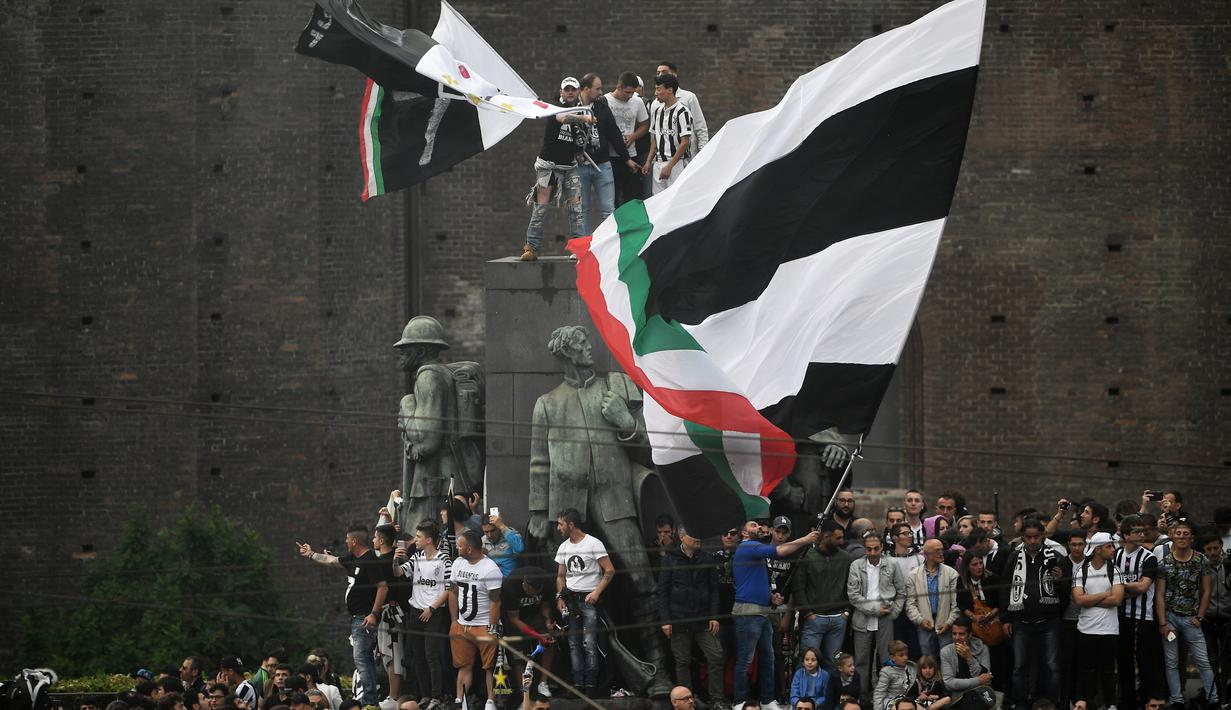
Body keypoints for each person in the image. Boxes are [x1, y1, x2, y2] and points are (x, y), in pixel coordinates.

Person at [732, 519, 820, 710]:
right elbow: (779, 551)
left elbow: (755, 581)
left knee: (768, 657)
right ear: (744, 533)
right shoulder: (748, 546)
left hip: (762, 611)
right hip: (748, 611)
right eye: (753, 525)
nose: (758, 527)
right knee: (745, 659)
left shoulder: (756, 550)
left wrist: (772, 597)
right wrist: (805, 539)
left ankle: (767, 699)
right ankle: (739, 701)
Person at [297, 525, 388, 707]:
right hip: (356, 618)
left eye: (347, 539)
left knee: (362, 658)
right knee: (362, 658)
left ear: (354, 541)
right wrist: (311, 554)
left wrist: (373, 613)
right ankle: (370, 699)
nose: (345, 542)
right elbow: (332, 560)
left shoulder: (370, 560)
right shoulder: (354, 559)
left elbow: (383, 586)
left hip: (364, 617)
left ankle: (370, 701)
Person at [521, 77, 593, 262]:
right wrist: (583, 117)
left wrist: (580, 151)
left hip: (570, 167)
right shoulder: (554, 108)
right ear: (561, 92)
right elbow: (562, 117)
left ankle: (579, 248)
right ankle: (531, 248)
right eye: (566, 89)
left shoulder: (580, 111)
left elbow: (579, 144)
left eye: (573, 89)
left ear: (578, 92)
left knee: (576, 208)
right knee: (541, 207)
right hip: (549, 167)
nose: (570, 92)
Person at [1000, 518, 1066, 708]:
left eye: (1036, 537)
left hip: (1049, 621)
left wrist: (1060, 581)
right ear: (1023, 538)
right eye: (1028, 537)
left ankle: (1053, 703)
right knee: (1019, 668)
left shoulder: (1054, 556)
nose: (1032, 541)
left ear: (1042, 536)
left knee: (1052, 667)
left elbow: (1066, 591)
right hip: (1021, 621)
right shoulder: (1014, 557)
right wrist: (1005, 618)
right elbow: (1005, 588)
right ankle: (1020, 704)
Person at [657, 524, 725, 705]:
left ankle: (717, 700)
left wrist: (714, 616)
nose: (698, 539)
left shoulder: (707, 558)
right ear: (682, 537)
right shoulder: (670, 559)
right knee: (682, 660)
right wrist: (665, 620)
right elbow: (662, 592)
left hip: (703, 618)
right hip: (678, 618)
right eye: (693, 536)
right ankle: (686, 701)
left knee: (716, 655)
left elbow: (714, 590)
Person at [1155, 520, 1220, 708]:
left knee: (1203, 660)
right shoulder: (1164, 562)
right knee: (1172, 662)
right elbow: (1159, 594)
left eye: (1186, 534)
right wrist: (1162, 623)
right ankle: (1177, 699)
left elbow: (1207, 590)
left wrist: (1200, 616)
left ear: (1192, 537)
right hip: (1170, 618)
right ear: (1172, 536)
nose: (1182, 537)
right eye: (1178, 533)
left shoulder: (1201, 560)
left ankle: (1213, 698)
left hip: (1192, 618)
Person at [554, 508, 615, 698]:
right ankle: (577, 684)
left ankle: (591, 685)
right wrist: (560, 596)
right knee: (574, 644)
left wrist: (597, 592)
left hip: (589, 599)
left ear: (571, 525)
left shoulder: (593, 543)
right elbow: (560, 576)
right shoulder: (564, 547)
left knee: (589, 643)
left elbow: (610, 570)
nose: (558, 528)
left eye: (561, 524)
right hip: (571, 600)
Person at [393, 519, 451, 707]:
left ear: (429, 540)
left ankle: (437, 696)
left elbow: (449, 589)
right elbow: (399, 573)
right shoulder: (416, 557)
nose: (415, 540)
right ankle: (424, 695)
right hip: (415, 611)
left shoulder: (443, 560)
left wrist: (432, 609)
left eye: (418, 537)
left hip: (433, 613)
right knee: (417, 656)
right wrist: (395, 560)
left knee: (432, 656)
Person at [1113, 515, 1165, 710]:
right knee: (1123, 660)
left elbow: (1143, 586)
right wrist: (1122, 590)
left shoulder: (1149, 557)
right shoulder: (1116, 555)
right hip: (1120, 615)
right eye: (1136, 531)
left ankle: (1147, 698)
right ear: (1125, 535)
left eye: (1143, 531)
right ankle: (1126, 700)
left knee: (1145, 660)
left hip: (1144, 617)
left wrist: (1119, 587)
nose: (1142, 534)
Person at [575, 73, 638, 234]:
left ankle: (608, 246)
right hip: (580, 165)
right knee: (582, 209)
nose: (600, 92)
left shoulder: (601, 106)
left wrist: (627, 159)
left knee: (608, 209)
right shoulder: (572, 107)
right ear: (586, 89)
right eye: (597, 88)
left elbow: (614, 133)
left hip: (602, 163)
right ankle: (583, 247)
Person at [448, 529, 503, 710]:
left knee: (489, 667)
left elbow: (495, 602)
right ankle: (460, 701)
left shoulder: (490, 569)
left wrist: (492, 628)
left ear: (470, 549)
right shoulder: (457, 563)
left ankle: (490, 702)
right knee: (464, 665)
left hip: (483, 625)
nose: (457, 547)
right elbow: (453, 592)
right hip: (462, 625)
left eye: (460, 545)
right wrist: (454, 621)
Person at [1072, 531, 1124, 710]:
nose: (1113, 549)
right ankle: (1084, 703)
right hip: (1086, 630)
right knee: (1086, 670)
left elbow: (1117, 600)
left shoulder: (1114, 570)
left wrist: (1090, 599)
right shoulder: (1082, 570)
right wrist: (1104, 595)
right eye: (1109, 546)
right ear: (1097, 549)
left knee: (1108, 671)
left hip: (1109, 630)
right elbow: (1078, 600)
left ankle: (1111, 704)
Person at [847, 533, 904, 696]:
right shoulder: (856, 565)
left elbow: (901, 592)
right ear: (864, 549)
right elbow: (853, 595)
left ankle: (887, 697)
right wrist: (874, 609)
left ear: (882, 548)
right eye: (869, 549)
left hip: (886, 618)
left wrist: (893, 613)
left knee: (887, 659)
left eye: (876, 549)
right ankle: (862, 697)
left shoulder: (892, 564)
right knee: (861, 660)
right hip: (862, 618)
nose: (872, 553)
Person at [791, 520, 852, 665]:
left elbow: (851, 586)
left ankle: (829, 689)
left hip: (839, 618)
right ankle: (803, 688)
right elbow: (798, 587)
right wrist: (808, 613)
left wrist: (847, 611)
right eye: (838, 538)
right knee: (807, 662)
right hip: (815, 618)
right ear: (825, 537)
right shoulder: (808, 557)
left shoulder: (845, 557)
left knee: (833, 662)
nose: (841, 541)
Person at [501, 566, 557, 698]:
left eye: (531, 591)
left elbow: (545, 606)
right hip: (516, 617)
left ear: (540, 588)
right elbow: (514, 619)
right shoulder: (511, 585)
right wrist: (537, 635)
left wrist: (548, 623)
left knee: (549, 642)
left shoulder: (547, 582)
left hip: (535, 614)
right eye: (525, 588)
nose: (526, 591)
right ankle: (524, 692)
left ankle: (543, 683)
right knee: (518, 655)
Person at [907, 539, 960, 657]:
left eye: (942, 550)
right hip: (924, 623)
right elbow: (910, 604)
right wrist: (920, 620)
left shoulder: (952, 574)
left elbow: (956, 603)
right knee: (927, 659)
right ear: (926, 554)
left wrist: (949, 622)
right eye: (937, 551)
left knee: (948, 658)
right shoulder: (914, 575)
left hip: (945, 622)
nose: (941, 553)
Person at [604, 71, 650, 205]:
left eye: (632, 92)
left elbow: (644, 125)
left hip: (631, 154)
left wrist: (632, 136)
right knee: (613, 199)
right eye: (627, 92)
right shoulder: (605, 101)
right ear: (618, 87)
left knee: (633, 197)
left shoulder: (637, 101)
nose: (630, 96)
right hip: (611, 157)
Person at [642, 74, 692, 194]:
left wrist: (670, 166)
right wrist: (648, 161)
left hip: (676, 164)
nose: (655, 93)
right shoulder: (658, 111)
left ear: (670, 90)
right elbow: (655, 137)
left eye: (659, 89)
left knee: (676, 200)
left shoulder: (682, 111)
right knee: (658, 203)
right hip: (658, 163)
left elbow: (685, 142)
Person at [652, 62, 709, 157]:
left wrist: (703, 153)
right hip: (663, 158)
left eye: (664, 72)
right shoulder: (655, 104)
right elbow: (655, 133)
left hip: (688, 156)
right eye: (658, 73)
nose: (661, 75)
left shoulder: (689, 97)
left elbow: (700, 127)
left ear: (674, 75)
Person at [939, 618, 994, 710]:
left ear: (970, 635)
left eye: (961, 634)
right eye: (954, 633)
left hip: (980, 693)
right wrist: (978, 680)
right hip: (957, 695)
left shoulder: (983, 649)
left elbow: (987, 680)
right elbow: (949, 683)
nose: (957, 637)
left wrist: (969, 658)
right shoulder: (946, 652)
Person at [873, 642, 918, 710]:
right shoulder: (886, 671)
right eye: (901, 655)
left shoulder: (912, 667)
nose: (905, 658)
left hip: (906, 700)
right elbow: (879, 693)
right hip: (891, 701)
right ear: (892, 657)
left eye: (906, 654)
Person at [481, 511, 524, 576]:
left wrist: (501, 526)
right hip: (491, 581)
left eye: (492, 531)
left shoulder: (511, 536)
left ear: (498, 527)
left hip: (509, 581)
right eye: (486, 532)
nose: (490, 535)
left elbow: (520, 549)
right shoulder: (483, 540)